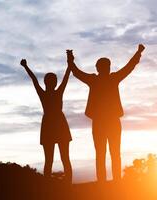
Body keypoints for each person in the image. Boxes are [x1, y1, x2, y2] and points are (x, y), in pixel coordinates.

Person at [68, 44, 145, 182]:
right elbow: (129, 67)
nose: (104, 69)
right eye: (104, 66)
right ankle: (110, 182)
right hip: (106, 121)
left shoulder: (101, 79)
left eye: (104, 66)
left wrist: (70, 60)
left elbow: (76, 72)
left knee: (105, 154)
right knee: (109, 153)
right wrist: (138, 52)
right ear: (103, 68)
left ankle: (108, 182)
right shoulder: (108, 78)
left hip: (105, 121)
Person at [20, 50, 73, 182]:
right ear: (51, 82)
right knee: (58, 159)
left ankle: (58, 186)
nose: (53, 82)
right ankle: (57, 186)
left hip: (55, 125)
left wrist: (26, 66)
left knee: (56, 159)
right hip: (54, 125)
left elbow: (34, 80)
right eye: (52, 80)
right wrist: (70, 61)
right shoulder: (53, 92)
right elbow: (66, 76)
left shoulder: (48, 93)